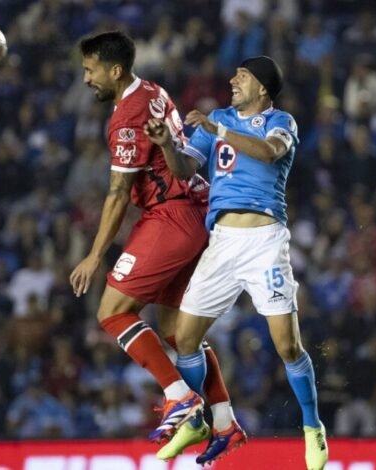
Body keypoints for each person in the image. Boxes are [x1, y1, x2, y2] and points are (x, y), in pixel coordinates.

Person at [145, 55, 328, 469]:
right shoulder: (220, 116)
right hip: (223, 240)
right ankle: (195, 420)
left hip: (265, 240)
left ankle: (313, 427)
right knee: (184, 338)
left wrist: (217, 128)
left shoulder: (282, 121)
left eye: (241, 76)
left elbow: (267, 153)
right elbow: (185, 169)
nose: (232, 80)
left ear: (262, 87)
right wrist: (167, 145)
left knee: (288, 345)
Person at [69, 31, 236, 445]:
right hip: (196, 209)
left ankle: (180, 397)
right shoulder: (153, 90)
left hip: (172, 216)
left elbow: (118, 194)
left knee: (111, 311)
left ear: (114, 70)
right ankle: (224, 418)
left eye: (90, 70)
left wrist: (94, 256)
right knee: (178, 331)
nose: (86, 78)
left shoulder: (127, 117)